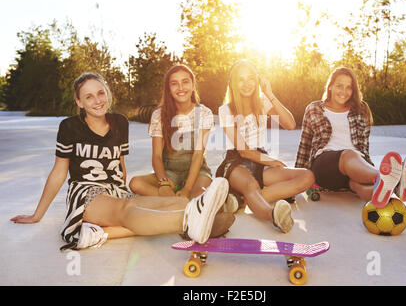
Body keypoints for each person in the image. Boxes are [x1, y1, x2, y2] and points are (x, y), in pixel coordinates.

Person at [10, 72, 230, 251]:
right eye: (88, 97)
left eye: (100, 93)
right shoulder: (69, 127)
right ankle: (191, 222)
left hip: (116, 190)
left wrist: (124, 190)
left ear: (107, 93)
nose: (97, 101)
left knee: (176, 202)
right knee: (127, 210)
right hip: (87, 191)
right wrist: (37, 214)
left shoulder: (120, 122)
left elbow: (120, 165)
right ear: (79, 101)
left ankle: (100, 232)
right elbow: (59, 171)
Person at [295, 67, 406, 208]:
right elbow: (304, 145)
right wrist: (297, 179)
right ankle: (390, 179)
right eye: (339, 86)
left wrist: (367, 164)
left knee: (357, 185)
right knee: (348, 154)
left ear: (353, 90)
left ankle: (392, 187)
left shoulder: (361, 109)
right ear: (330, 87)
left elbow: (364, 147)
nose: (343, 91)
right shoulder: (314, 108)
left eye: (349, 87)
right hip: (325, 166)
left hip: (357, 165)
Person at [216, 60, 315, 233]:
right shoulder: (226, 109)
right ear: (232, 83)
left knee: (307, 176)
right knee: (251, 185)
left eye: (251, 79)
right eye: (241, 79)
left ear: (257, 81)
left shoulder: (262, 102)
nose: (246, 84)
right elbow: (244, 150)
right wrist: (272, 161)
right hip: (236, 163)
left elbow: (290, 124)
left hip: (260, 161)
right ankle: (274, 216)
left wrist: (269, 93)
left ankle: (243, 201)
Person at [129, 64, 214, 199]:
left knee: (200, 194)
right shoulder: (159, 115)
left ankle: (179, 201)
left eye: (185, 82)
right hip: (169, 174)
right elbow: (156, 156)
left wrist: (187, 189)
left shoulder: (204, 113)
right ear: (168, 89)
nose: (180, 88)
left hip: (197, 173)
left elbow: (198, 154)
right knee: (135, 183)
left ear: (193, 85)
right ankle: (183, 202)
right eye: (174, 83)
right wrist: (164, 184)